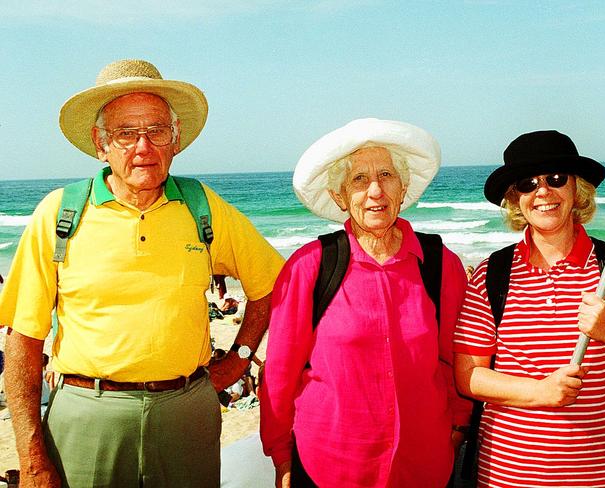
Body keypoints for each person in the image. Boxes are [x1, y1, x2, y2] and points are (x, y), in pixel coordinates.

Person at [0, 59, 284, 488]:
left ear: (176, 139)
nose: (143, 147)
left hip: (187, 412)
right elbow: (23, 337)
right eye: (126, 133)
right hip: (87, 414)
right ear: (100, 143)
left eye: (156, 131)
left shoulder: (203, 207)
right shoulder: (58, 214)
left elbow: (273, 283)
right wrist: (31, 457)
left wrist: (239, 360)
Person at [260, 118, 472, 487]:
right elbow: (279, 375)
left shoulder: (441, 264)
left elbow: (457, 357)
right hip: (330, 466)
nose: (376, 191)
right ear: (341, 196)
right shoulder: (310, 266)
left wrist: (457, 426)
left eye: (387, 175)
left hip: (424, 464)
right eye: (359, 179)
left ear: (403, 189)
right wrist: (281, 456)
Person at [453, 130, 605, 487]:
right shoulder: (491, 274)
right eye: (528, 184)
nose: (542, 191)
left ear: (577, 190)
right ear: (516, 200)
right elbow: (468, 377)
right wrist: (539, 392)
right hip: (509, 476)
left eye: (556, 179)